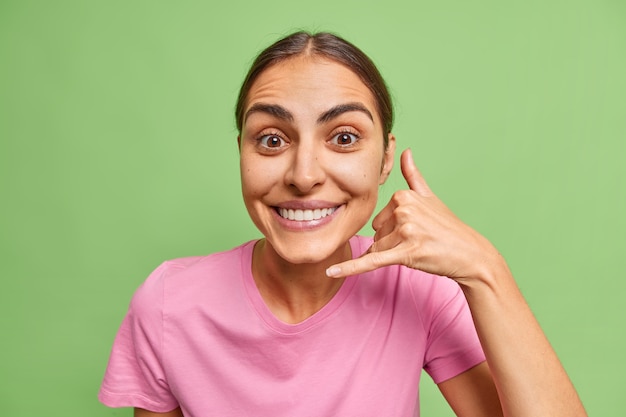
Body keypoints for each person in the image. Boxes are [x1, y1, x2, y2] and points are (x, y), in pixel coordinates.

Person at [98, 31, 587, 417]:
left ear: (385, 160)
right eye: (271, 140)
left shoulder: (416, 290)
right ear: (241, 154)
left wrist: (484, 268)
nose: (304, 175)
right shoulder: (168, 304)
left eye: (345, 137)